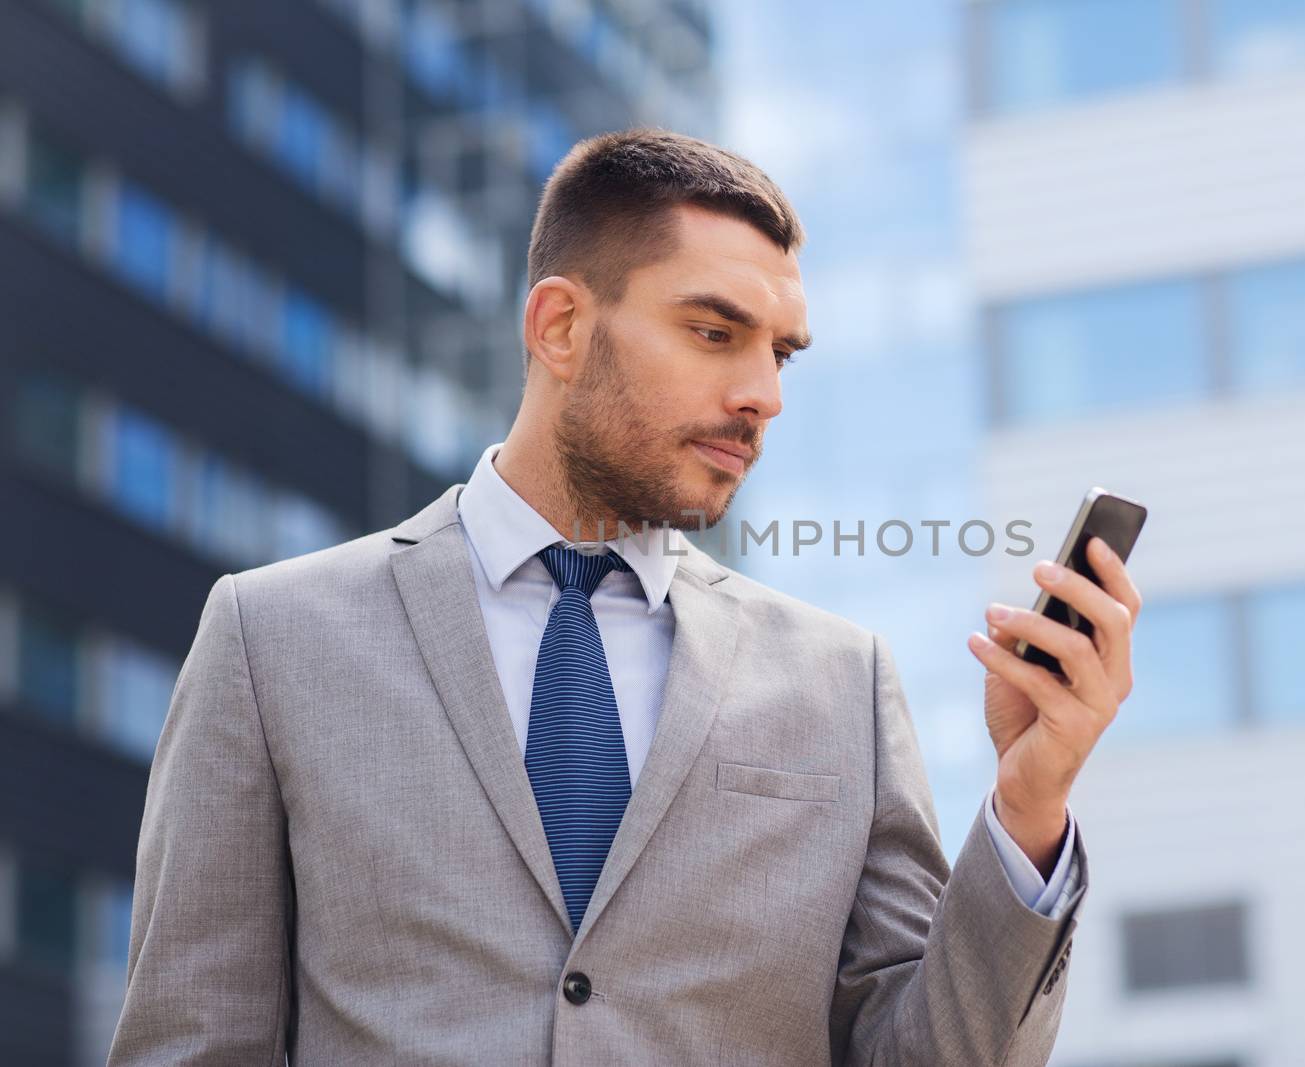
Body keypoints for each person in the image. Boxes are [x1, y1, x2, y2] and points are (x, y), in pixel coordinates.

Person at [107, 129, 1143, 1065]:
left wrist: (1027, 804)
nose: (763, 394)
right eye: (712, 332)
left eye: (779, 353)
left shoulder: (841, 681)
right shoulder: (271, 637)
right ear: (560, 327)